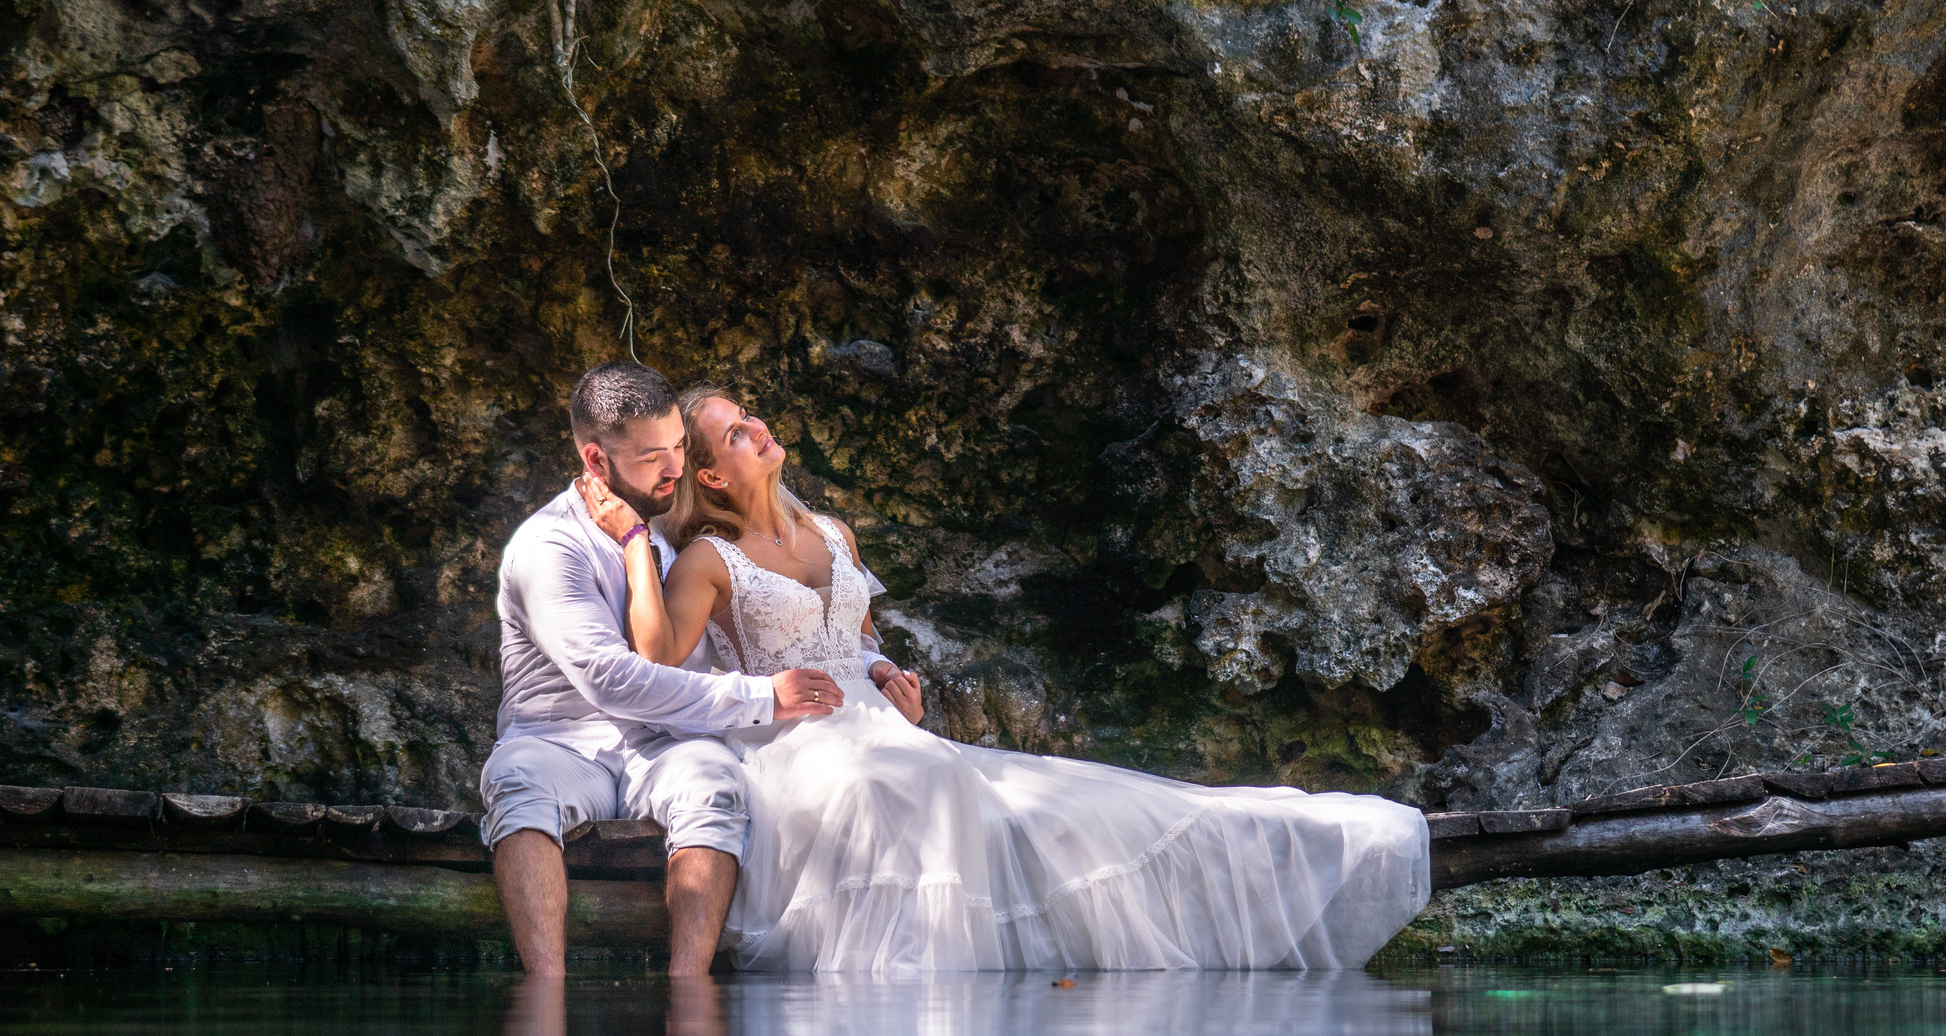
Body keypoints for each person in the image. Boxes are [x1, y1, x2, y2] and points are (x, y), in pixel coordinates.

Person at [577, 383, 1436, 973]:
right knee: (907, 785)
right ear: (714, 475)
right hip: (794, 742)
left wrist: (888, 676)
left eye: (749, 416)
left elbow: (861, 636)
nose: (758, 429)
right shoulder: (705, 558)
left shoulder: (831, 531)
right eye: (733, 434)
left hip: (877, 721)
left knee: (1087, 810)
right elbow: (652, 657)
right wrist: (631, 544)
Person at [482, 361, 863, 976]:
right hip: (560, 742)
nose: (677, 469)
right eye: (651, 457)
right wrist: (762, 698)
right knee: (521, 784)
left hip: (656, 745)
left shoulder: (669, 536)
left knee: (714, 777)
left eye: (680, 447)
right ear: (596, 461)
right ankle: (543, 997)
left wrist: (867, 671)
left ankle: (689, 993)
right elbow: (612, 679)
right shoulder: (548, 546)